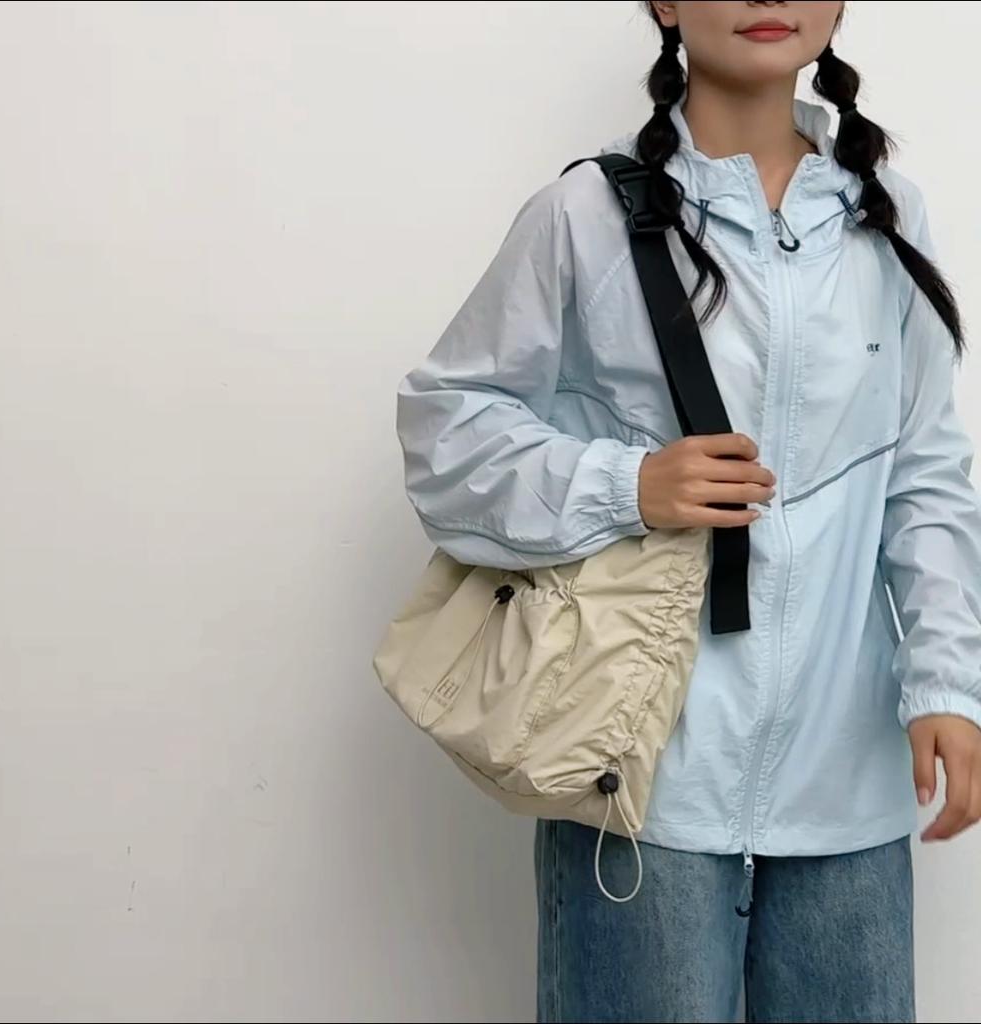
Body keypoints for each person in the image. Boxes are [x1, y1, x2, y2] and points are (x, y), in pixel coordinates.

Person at [393, 2, 981, 1021]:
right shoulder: (583, 214)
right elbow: (446, 432)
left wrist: (947, 683)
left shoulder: (887, 218)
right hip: (640, 784)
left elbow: (924, 473)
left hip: (847, 785)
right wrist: (626, 484)